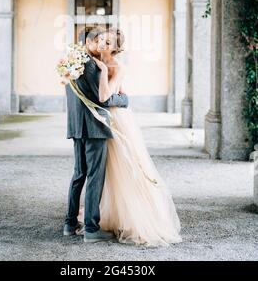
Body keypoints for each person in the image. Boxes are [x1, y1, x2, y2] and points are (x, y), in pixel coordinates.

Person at [78, 27, 182, 247]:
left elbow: (105, 97)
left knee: (124, 169)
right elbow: (120, 93)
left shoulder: (115, 66)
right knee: (109, 173)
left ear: (116, 48)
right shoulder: (93, 59)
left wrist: (105, 72)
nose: (103, 44)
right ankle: (108, 218)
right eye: (102, 40)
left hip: (116, 121)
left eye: (109, 43)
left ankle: (136, 219)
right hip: (102, 119)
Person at [63, 26, 129, 243]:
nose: (101, 44)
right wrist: (125, 100)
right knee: (94, 177)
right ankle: (91, 229)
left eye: (105, 41)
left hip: (76, 126)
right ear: (88, 42)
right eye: (98, 40)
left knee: (79, 174)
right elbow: (105, 100)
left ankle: (70, 223)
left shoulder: (71, 63)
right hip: (94, 128)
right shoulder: (91, 66)